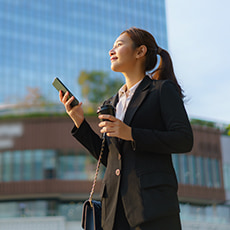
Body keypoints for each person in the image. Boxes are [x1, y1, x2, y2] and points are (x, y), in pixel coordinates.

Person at [59, 27, 193, 230]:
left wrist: (130, 133)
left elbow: (184, 139)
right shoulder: (111, 102)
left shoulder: (161, 90)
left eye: (119, 45)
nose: (111, 51)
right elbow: (110, 158)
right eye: (112, 47)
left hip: (152, 209)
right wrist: (79, 122)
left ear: (140, 52)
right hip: (113, 213)